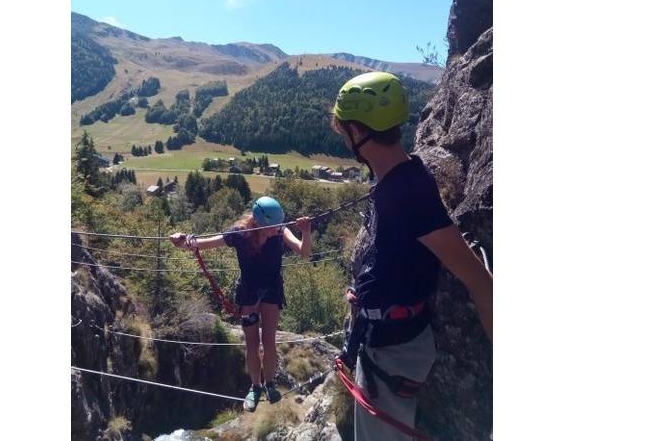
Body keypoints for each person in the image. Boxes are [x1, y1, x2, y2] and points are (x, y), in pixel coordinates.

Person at [331, 71, 493, 440]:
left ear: (359, 132)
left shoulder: (405, 191)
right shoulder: (397, 177)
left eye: (345, 133)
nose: (345, 140)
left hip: (392, 351)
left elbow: (477, 279)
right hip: (386, 339)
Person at [170, 196, 312, 412]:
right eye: (272, 226)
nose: (277, 229)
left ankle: (270, 383)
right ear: (259, 223)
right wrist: (183, 241)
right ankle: (255, 387)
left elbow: (304, 252)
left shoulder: (281, 230)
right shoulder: (240, 234)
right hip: (248, 292)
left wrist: (307, 232)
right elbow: (205, 243)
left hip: (272, 290)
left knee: (269, 341)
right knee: (252, 343)